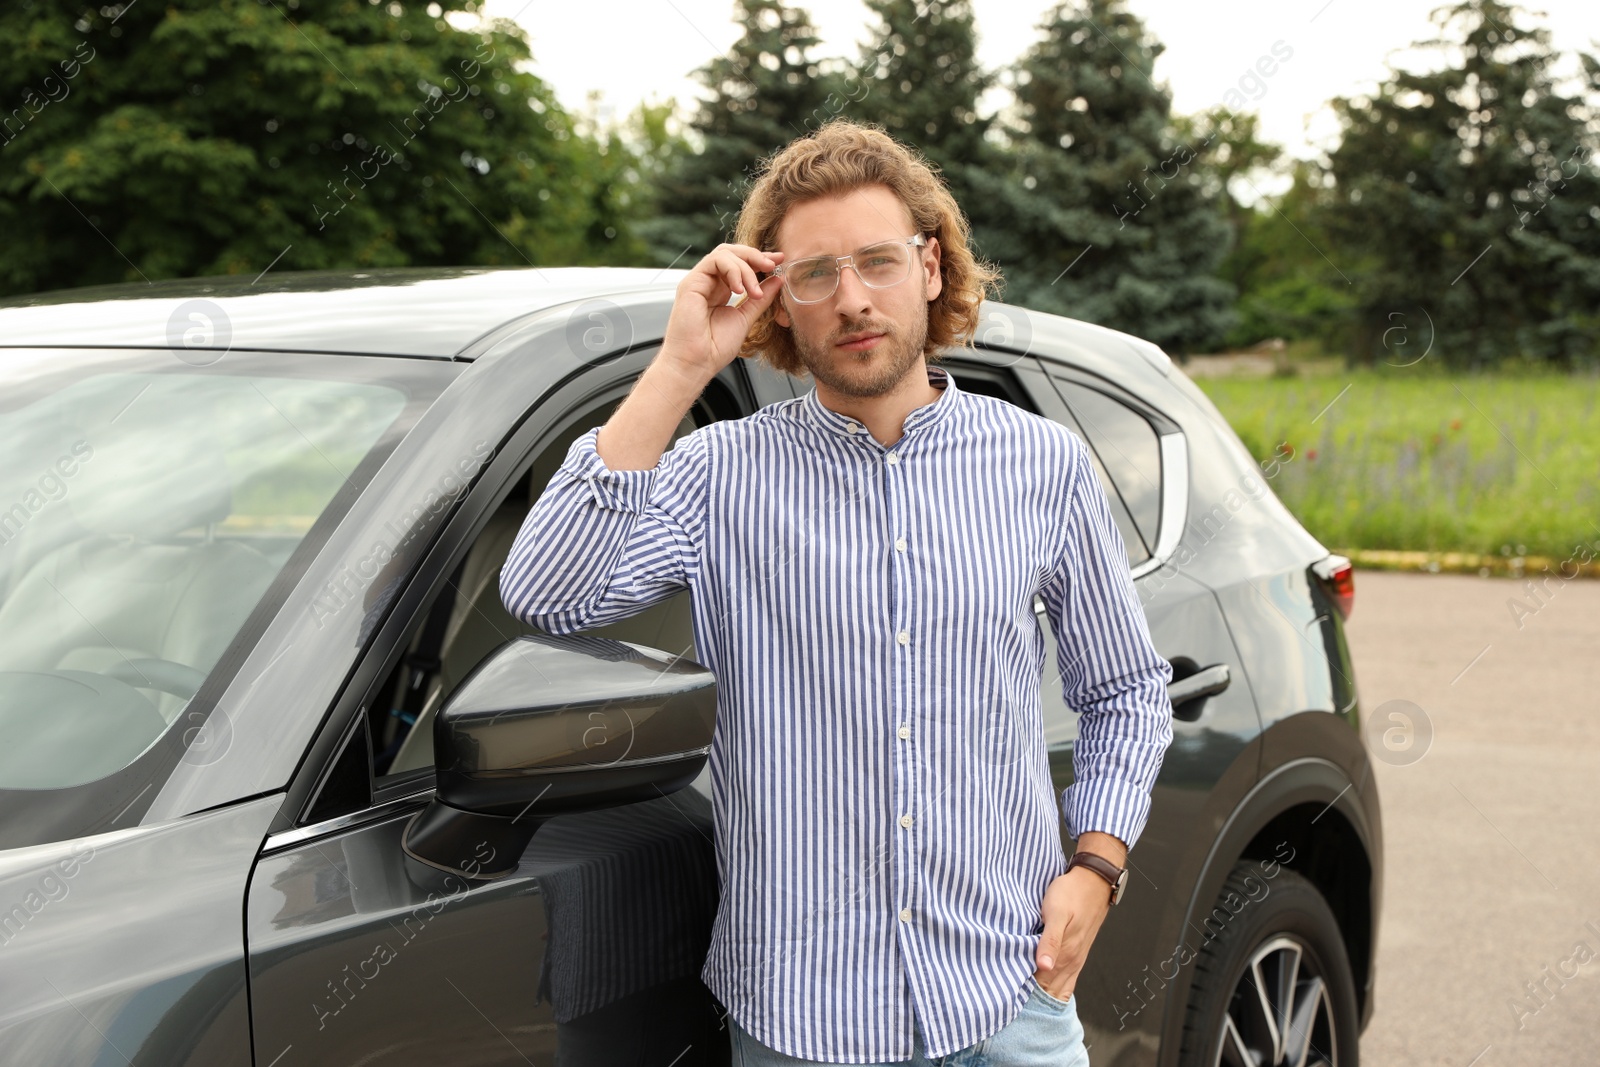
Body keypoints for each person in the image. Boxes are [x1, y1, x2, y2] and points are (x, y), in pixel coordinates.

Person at [499, 118, 1174, 1067]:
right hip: (808, 1024)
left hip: (1010, 1000)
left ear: (930, 267)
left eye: (878, 261)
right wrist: (684, 363)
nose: (853, 299)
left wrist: (1097, 868)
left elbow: (1126, 690)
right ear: (780, 300)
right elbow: (546, 591)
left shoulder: (1040, 463)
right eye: (815, 273)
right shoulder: (718, 471)